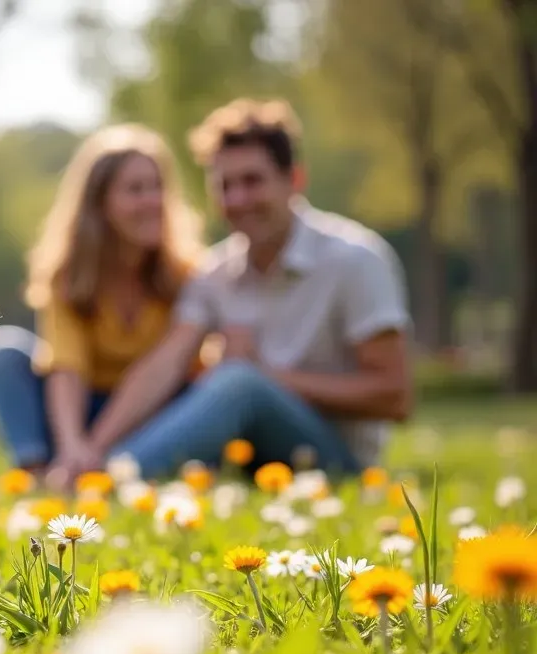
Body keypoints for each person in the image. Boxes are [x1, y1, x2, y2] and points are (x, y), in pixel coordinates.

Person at [80, 98, 414, 479]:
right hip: (245, 456)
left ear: (294, 180)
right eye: (225, 186)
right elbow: (163, 364)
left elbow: (395, 396)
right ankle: (95, 469)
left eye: (253, 181)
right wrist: (91, 446)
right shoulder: (215, 272)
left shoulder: (355, 260)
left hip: (334, 459)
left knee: (239, 383)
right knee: (230, 383)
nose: (238, 200)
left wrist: (266, 375)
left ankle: (112, 479)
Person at [0, 123, 203, 488]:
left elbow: (163, 375)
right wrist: (72, 445)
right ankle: (37, 475)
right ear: (100, 203)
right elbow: (66, 367)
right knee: (3, 350)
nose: (153, 201)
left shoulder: (189, 275)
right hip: (80, 410)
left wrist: (92, 448)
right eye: (135, 189)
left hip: (154, 413)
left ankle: (99, 468)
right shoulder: (67, 276)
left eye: (158, 187)